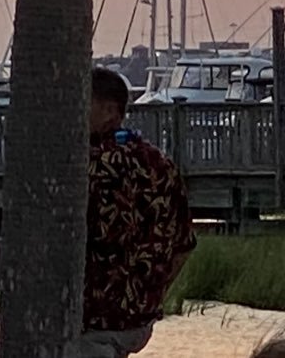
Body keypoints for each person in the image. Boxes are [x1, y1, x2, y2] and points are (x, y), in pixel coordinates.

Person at [69, 68, 197, 358]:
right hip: (137, 321)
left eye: (81, 102)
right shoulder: (159, 163)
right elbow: (184, 245)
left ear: (109, 111)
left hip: (91, 320)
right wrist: (150, 296)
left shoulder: (87, 164)